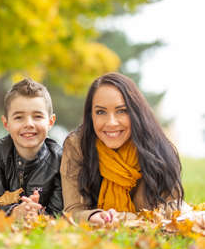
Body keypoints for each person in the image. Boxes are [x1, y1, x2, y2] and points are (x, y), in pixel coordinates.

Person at [61, 72, 185, 225]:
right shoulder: (77, 145)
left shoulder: (158, 149)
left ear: (135, 112)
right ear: (90, 115)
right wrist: (92, 216)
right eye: (100, 112)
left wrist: (124, 218)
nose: (111, 122)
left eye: (121, 111)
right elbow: (73, 210)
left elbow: (172, 209)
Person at [0, 78, 63, 218]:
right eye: (19, 117)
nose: (29, 124)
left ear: (50, 121)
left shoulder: (59, 160)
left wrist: (38, 213)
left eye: (37, 116)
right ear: (6, 123)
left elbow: (59, 211)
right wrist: (14, 211)